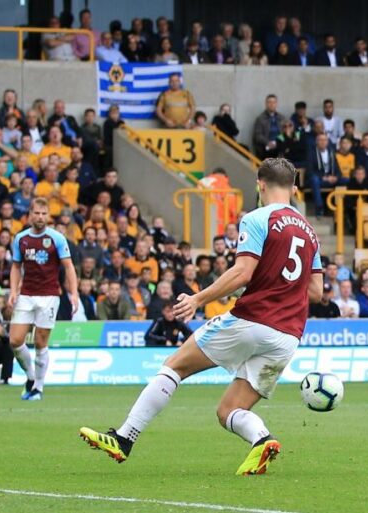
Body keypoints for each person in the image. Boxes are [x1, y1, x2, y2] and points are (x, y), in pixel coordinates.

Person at [79, 158, 323, 476]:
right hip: (287, 335)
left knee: (175, 366)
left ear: (260, 185)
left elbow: (242, 272)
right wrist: (276, 282)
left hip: (252, 320)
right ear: (293, 188)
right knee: (229, 410)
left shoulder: (257, 218)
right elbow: (315, 291)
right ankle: (262, 439)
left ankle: (124, 438)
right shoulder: (310, 232)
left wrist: (198, 298)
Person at [8, 198, 78, 401]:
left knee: (40, 342)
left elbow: (69, 266)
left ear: (48, 215)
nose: (40, 217)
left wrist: (74, 293)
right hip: (26, 295)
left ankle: (38, 387)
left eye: (43, 213)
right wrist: (13, 290)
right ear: (30, 215)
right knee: (15, 341)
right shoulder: (21, 238)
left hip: (49, 296)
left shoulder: (57, 238)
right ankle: (31, 376)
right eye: (36, 213)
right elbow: (15, 266)